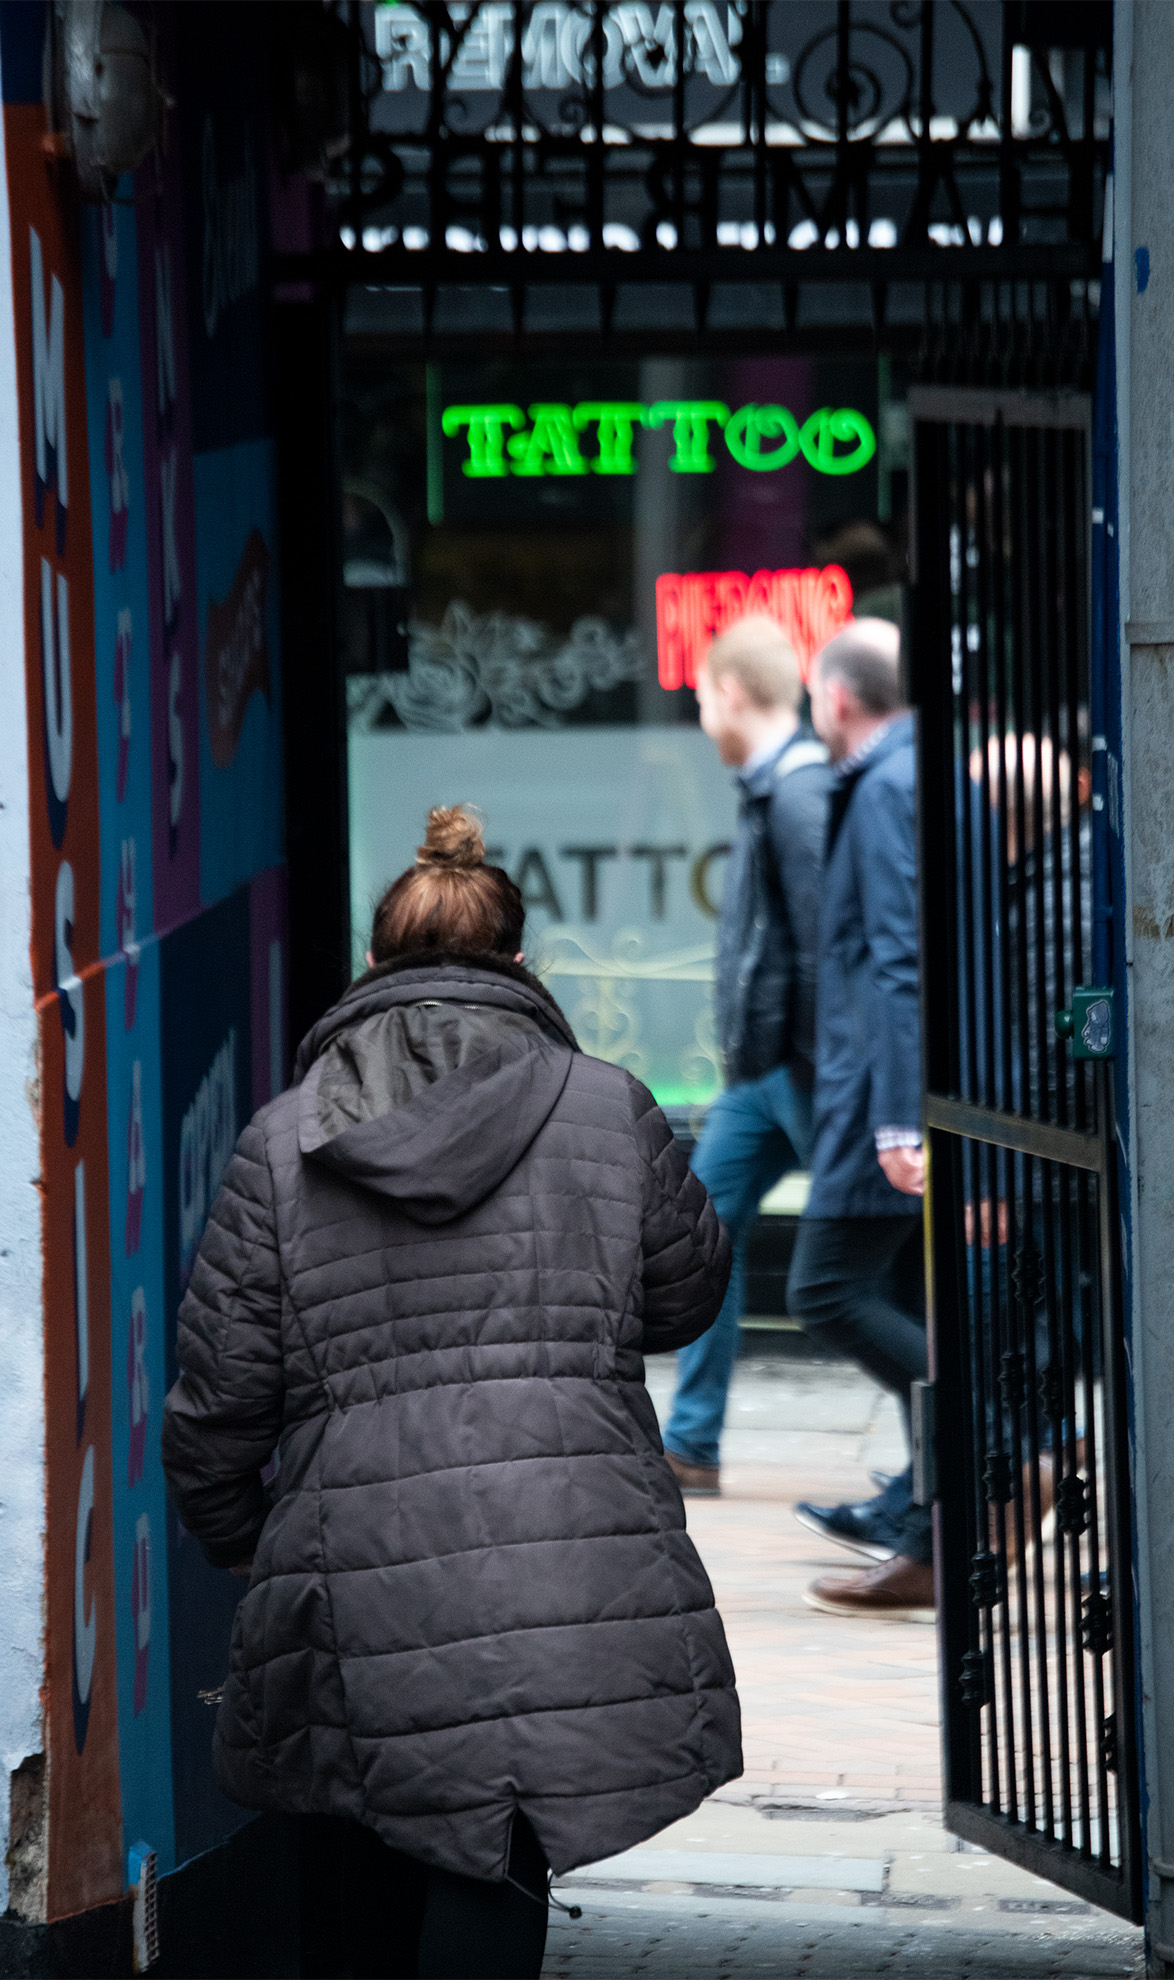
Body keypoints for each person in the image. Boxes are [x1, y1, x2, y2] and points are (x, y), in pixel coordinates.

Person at [162, 806, 742, 1980]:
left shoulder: (282, 1146)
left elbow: (220, 1393)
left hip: (353, 1556)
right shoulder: (608, 1104)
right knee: (500, 1846)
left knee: (372, 1828)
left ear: (371, 969)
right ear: (522, 968)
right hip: (570, 1550)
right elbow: (685, 1294)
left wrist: (237, 1536)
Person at [786, 620, 935, 1620]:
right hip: (879, 1087)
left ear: (836, 699)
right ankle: (929, 1525)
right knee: (908, 1302)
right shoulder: (904, 771)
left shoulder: (884, 785)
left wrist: (893, 1118)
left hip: (878, 1100)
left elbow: (897, 958)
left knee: (825, 1288)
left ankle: (996, 1442)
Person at [662, 616, 830, 1496]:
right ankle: (690, 1446)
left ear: (731, 691)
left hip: (797, 1073)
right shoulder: (774, 789)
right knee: (703, 1237)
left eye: (698, 694)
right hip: (763, 1078)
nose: (696, 711)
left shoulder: (797, 794)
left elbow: (825, 953)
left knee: (851, 1275)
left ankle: (973, 1450)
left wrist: (822, 1074)